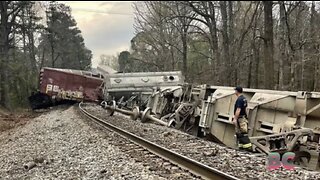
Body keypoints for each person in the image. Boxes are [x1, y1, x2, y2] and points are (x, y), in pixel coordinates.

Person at [232, 86, 252, 151]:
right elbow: (245, 109)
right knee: (240, 133)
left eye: (235, 90)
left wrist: (235, 118)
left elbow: (238, 109)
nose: (235, 92)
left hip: (240, 118)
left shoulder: (239, 99)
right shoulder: (244, 99)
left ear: (237, 91)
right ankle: (241, 147)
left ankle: (248, 147)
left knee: (242, 133)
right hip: (243, 117)